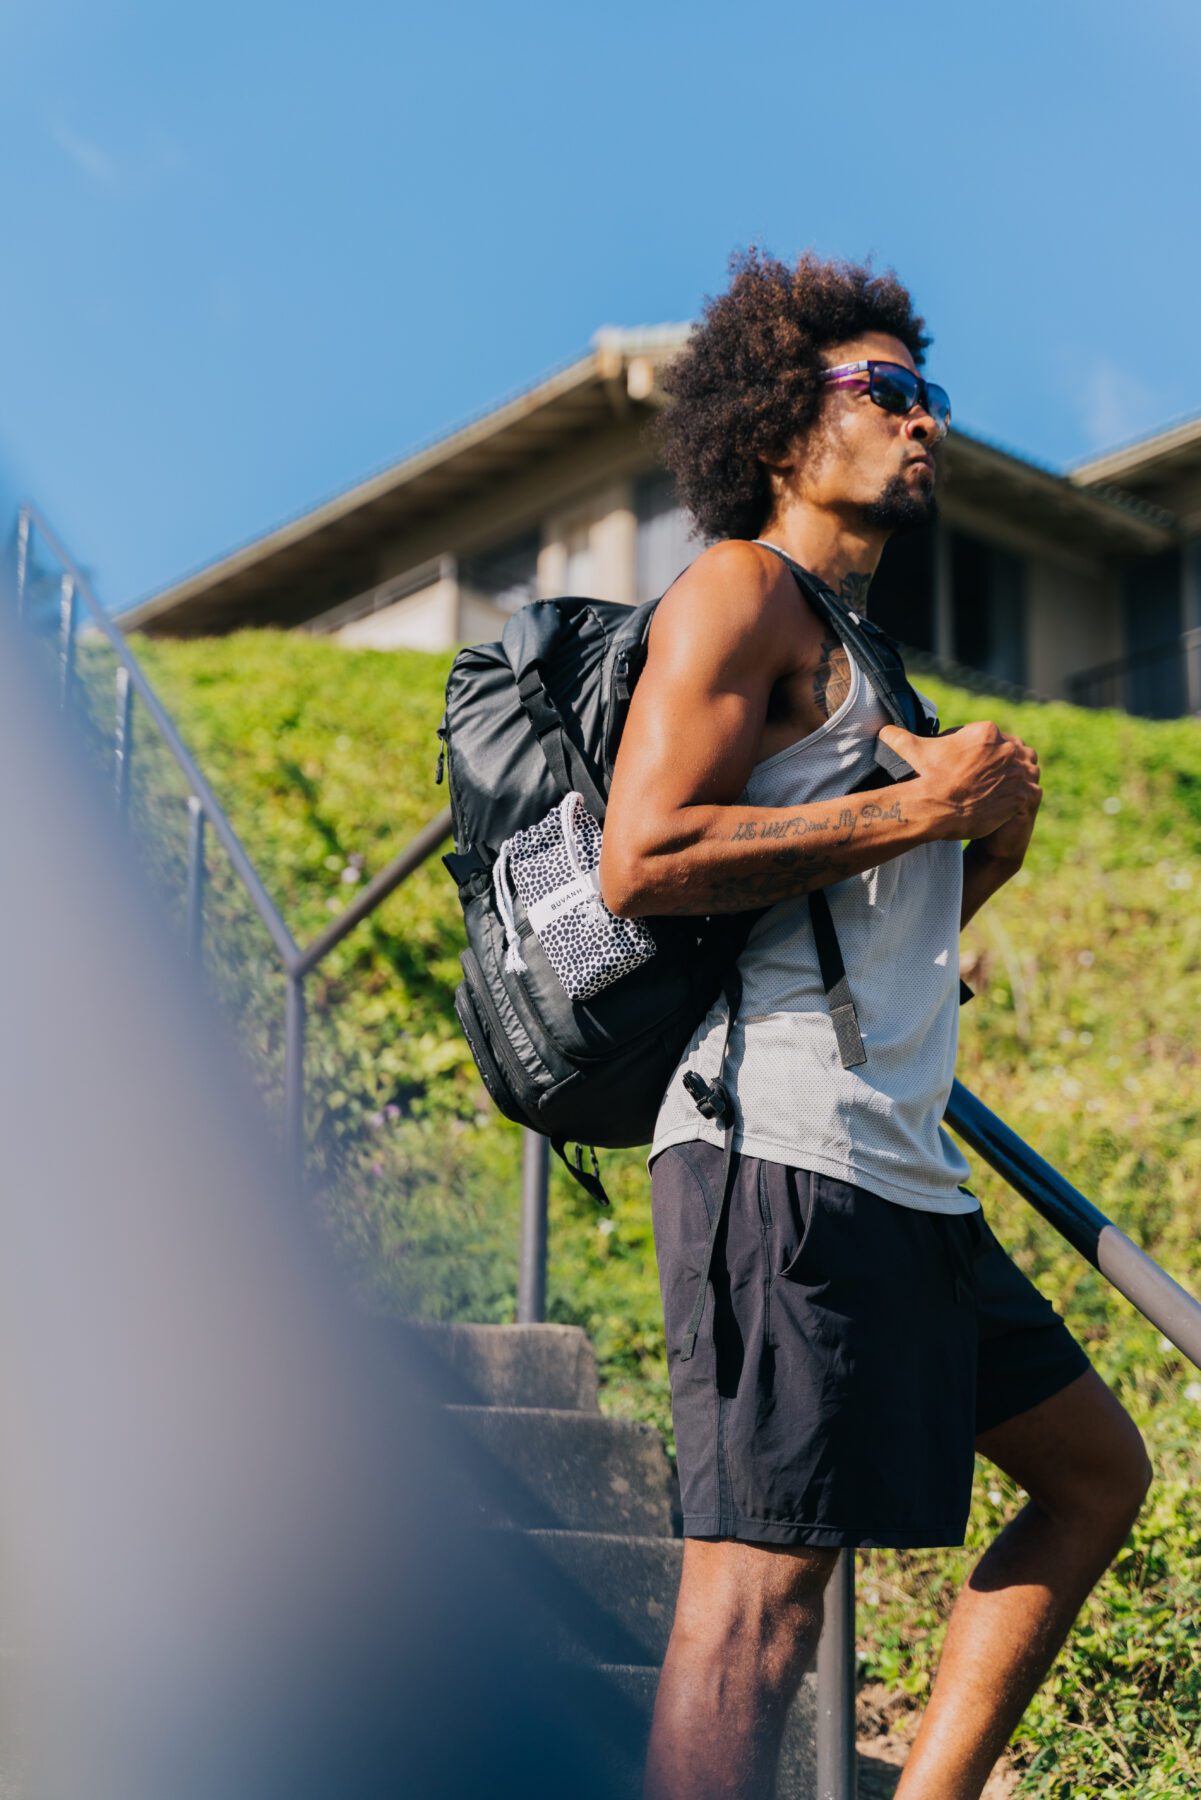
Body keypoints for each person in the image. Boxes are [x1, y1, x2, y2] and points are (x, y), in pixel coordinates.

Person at [597, 249, 1153, 1800]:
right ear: (785, 427)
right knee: (753, 1612)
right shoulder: (737, 589)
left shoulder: (863, 652)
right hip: (776, 1154)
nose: (926, 424)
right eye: (886, 394)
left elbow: (848, 916)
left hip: (901, 1169)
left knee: (1094, 1475)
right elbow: (643, 860)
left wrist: (975, 858)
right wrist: (932, 806)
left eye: (934, 399)